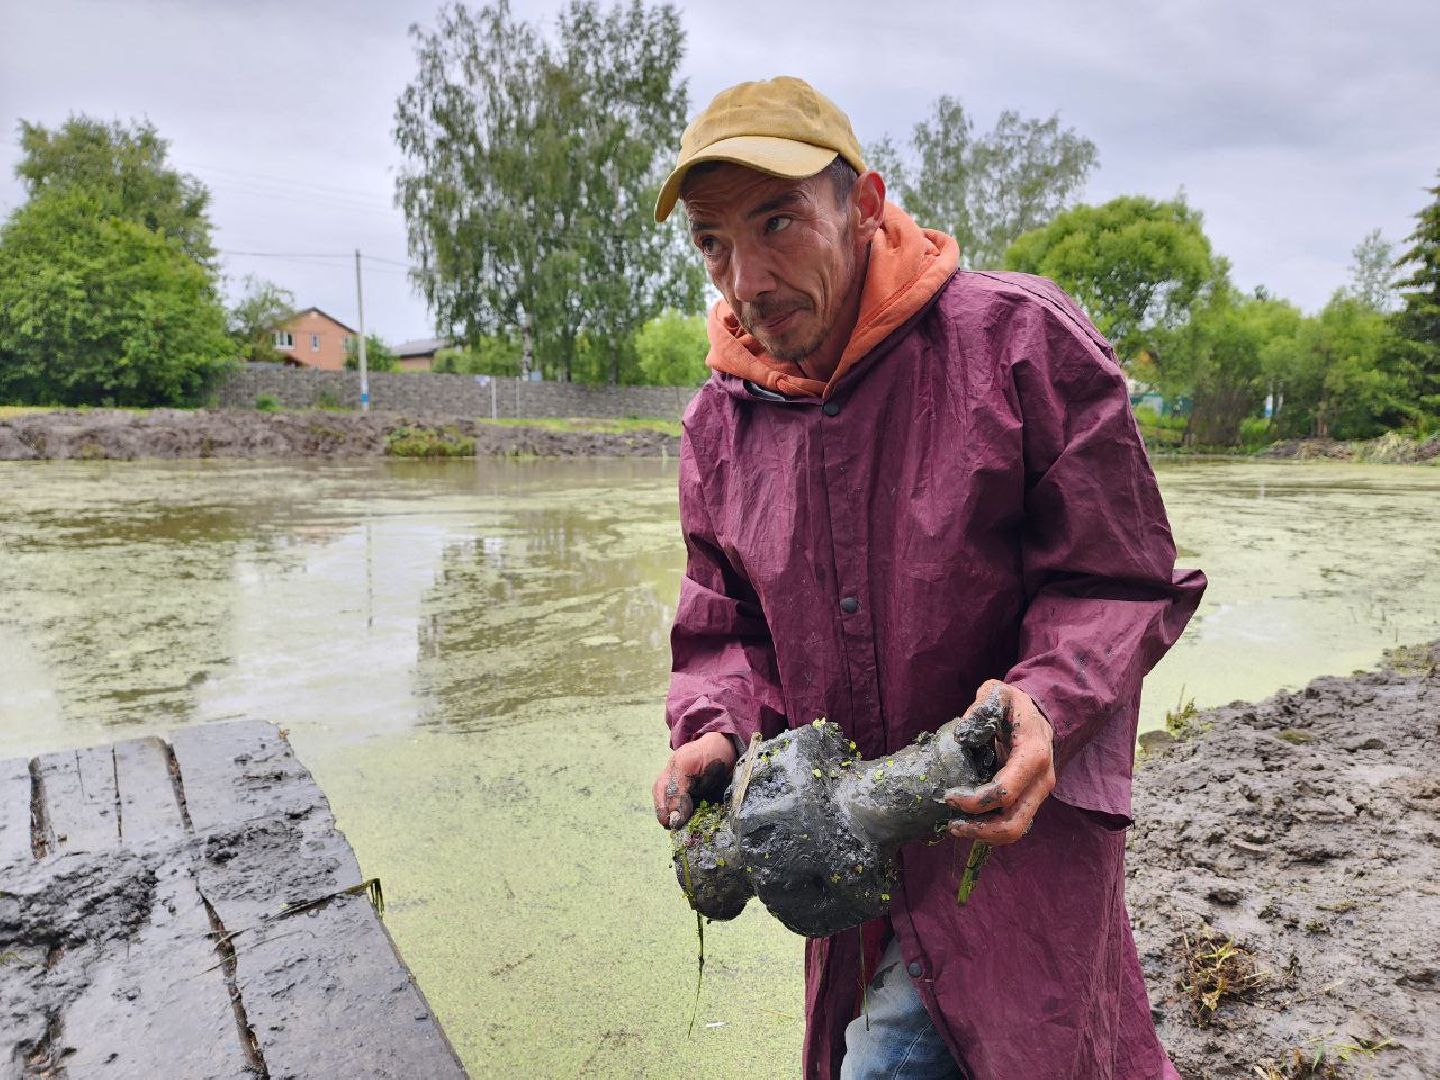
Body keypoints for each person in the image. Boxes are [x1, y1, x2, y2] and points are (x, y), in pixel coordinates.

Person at [649, 76, 1205, 1080]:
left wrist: (1047, 700)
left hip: (1009, 835)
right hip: (844, 854)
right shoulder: (716, 428)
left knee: (995, 1049)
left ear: (863, 207)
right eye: (713, 242)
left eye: (778, 223)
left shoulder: (1020, 343)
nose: (747, 278)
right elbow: (722, 621)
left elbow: (1117, 576)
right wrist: (714, 727)